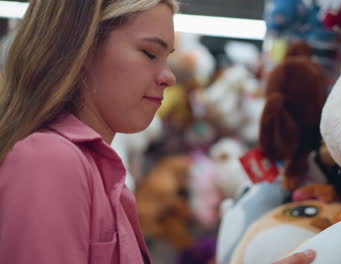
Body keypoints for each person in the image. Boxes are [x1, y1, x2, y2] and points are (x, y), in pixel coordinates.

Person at [0, 0, 316, 263]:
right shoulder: (50, 161)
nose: (168, 77)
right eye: (150, 53)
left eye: (167, 58)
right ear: (80, 48)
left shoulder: (95, 169)